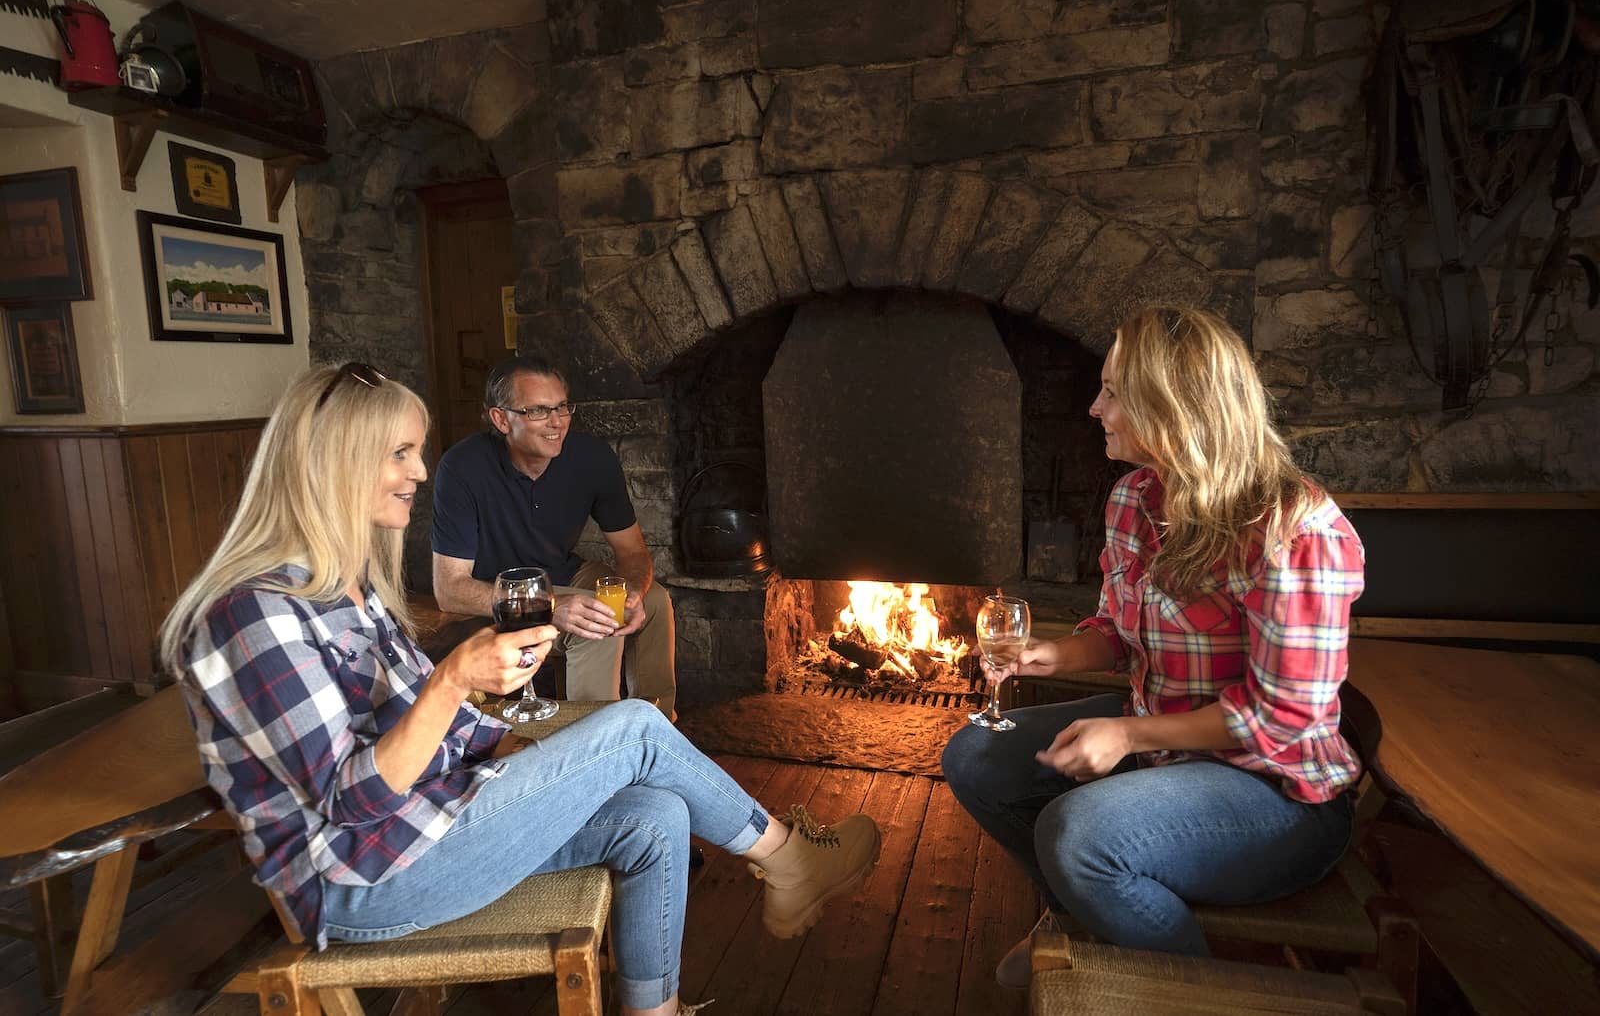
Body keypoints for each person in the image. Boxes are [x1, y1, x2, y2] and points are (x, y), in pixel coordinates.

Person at [160, 363, 881, 1016]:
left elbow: (432, 730)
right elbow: (353, 801)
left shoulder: (345, 588)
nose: (418, 470)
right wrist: (455, 679)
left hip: (429, 821)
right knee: (631, 725)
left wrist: (527, 747)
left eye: (417, 450)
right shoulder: (255, 612)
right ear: (333, 462)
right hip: (365, 879)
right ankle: (787, 857)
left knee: (655, 810)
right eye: (400, 453)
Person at [943, 307, 1365, 987]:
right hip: (1165, 749)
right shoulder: (1135, 499)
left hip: (1275, 794)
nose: (1094, 407)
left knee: (1076, 835)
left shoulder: (1296, 529)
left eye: (1113, 391)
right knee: (975, 754)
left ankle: (1192, 995)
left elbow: (1280, 717)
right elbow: (1115, 630)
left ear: (1173, 405)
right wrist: (1047, 656)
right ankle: (1078, 917)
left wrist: (1128, 732)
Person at [431, 356, 677, 719]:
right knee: (595, 618)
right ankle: (592, 745)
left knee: (655, 601)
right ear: (501, 419)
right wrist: (553, 606)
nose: (557, 422)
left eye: (562, 407)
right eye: (538, 411)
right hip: (498, 595)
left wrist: (635, 592)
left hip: (563, 573)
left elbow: (633, 552)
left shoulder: (592, 458)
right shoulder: (462, 468)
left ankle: (656, 727)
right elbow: (449, 589)